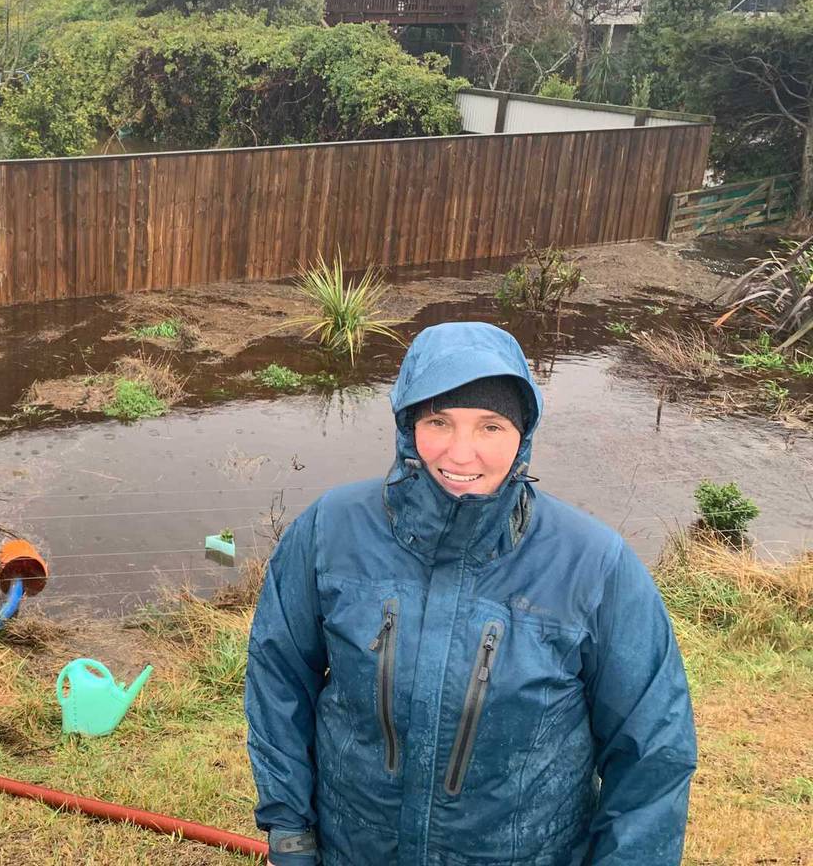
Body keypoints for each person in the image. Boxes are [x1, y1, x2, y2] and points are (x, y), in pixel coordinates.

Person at [245, 321, 696, 865]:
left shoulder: (594, 564)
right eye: (439, 421)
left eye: (490, 427)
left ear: (523, 433)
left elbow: (652, 751)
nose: (462, 455)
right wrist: (291, 835)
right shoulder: (329, 530)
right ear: (408, 425)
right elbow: (279, 681)